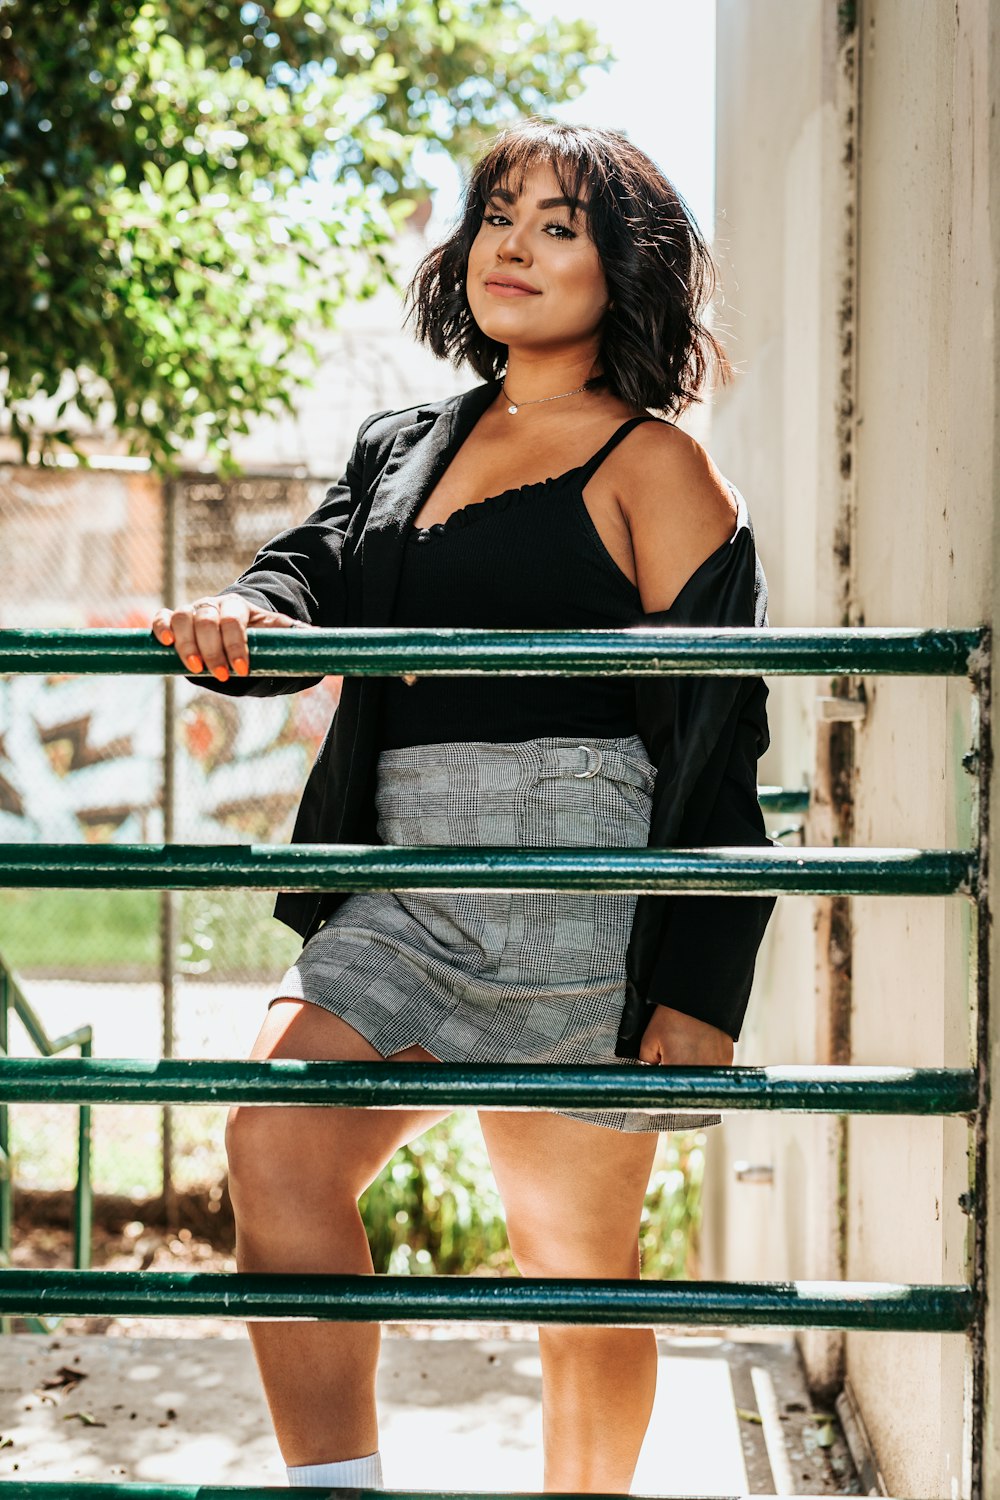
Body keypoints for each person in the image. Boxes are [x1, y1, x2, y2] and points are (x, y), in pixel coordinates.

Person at [151, 118, 776, 1493]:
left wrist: (702, 988)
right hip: (401, 877)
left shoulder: (656, 465)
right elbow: (303, 575)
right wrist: (243, 610)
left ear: (624, 268)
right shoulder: (402, 445)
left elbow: (724, 737)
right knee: (274, 1138)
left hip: (581, 900)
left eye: (562, 225)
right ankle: (338, 1488)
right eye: (501, 213)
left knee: (575, 1273)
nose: (518, 244)